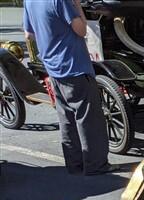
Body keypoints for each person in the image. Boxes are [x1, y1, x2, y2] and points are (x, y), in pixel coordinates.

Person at [22, 0, 115, 175]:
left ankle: (74, 164)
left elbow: (29, 34)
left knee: (66, 118)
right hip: (74, 65)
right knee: (89, 119)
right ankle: (96, 165)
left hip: (53, 67)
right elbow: (81, 29)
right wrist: (78, 6)